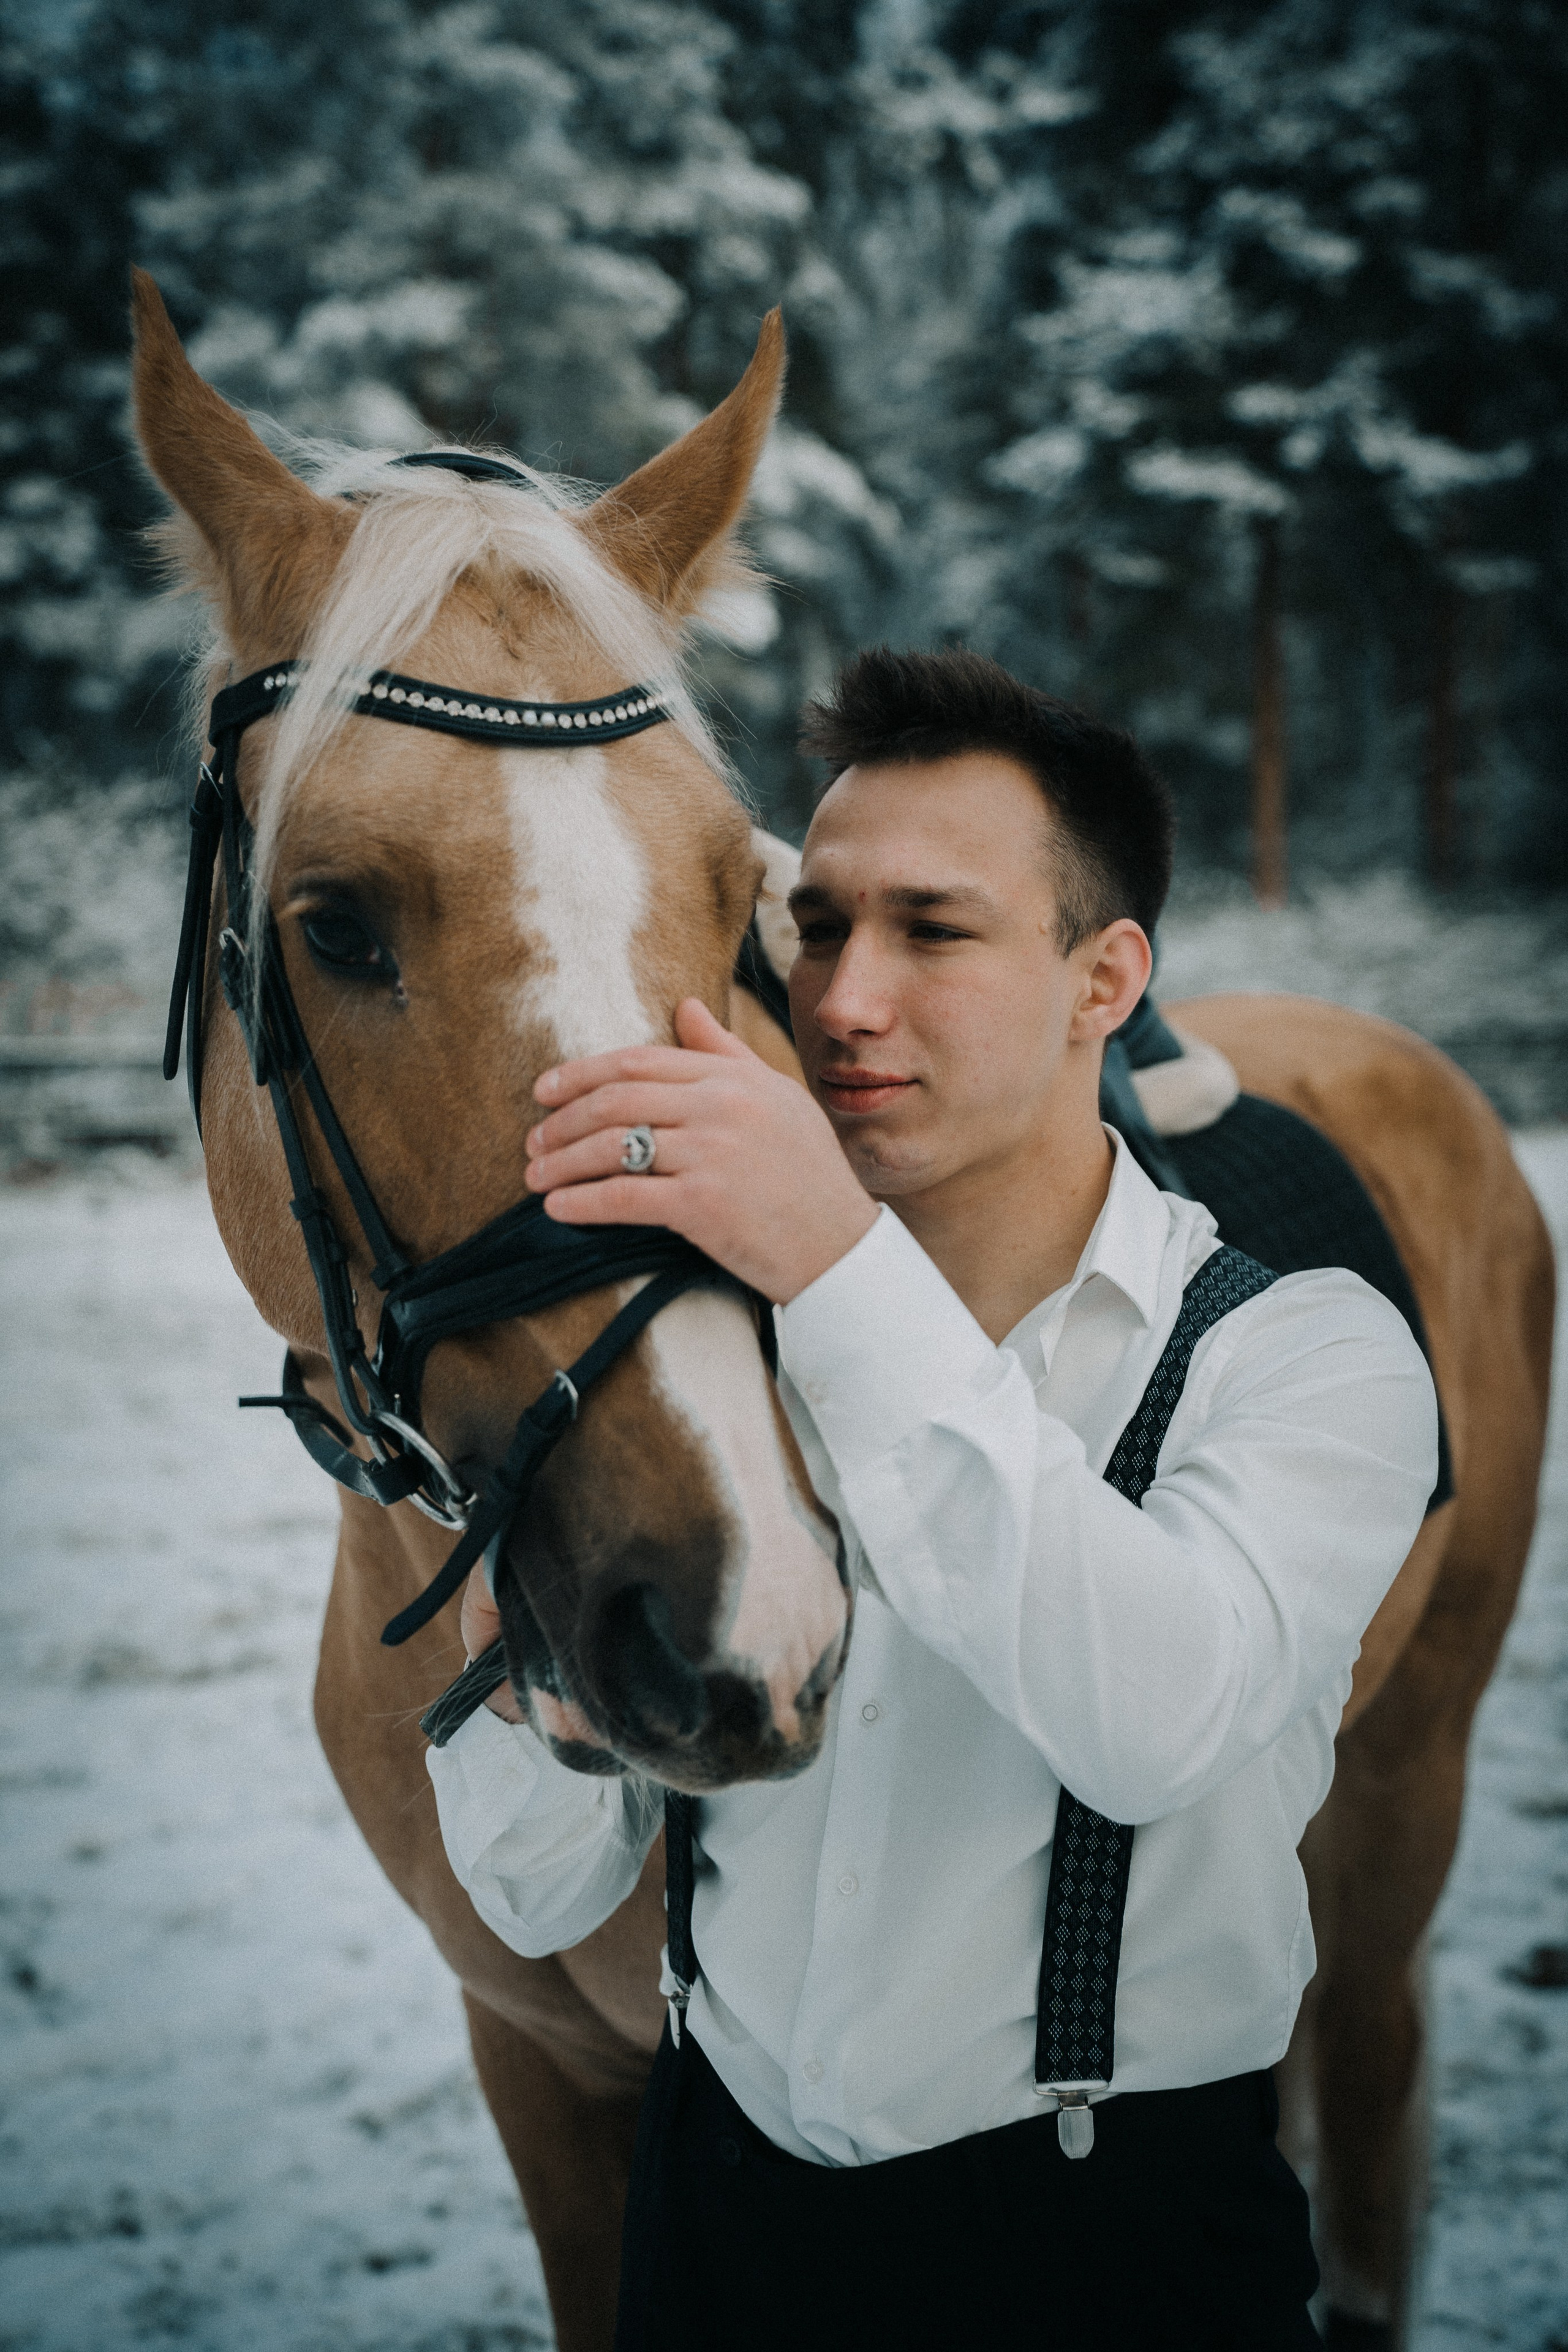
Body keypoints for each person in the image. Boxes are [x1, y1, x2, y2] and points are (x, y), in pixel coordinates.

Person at [429, 647, 1437, 2350]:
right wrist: (531, 1684)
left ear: (1104, 978)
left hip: (1115, 2255)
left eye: (936, 930)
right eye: (817, 926)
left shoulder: (1311, 1357)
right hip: (715, 2226)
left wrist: (832, 1261)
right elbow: (534, 1894)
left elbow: (1158, 1721)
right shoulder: (705, 1377)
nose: (841, 1001)